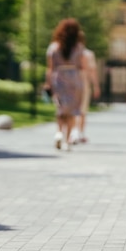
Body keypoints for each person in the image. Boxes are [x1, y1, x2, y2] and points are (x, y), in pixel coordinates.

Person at [44, 18, 88, 151]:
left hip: (59, 79)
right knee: (72, 111)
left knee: (61, 109)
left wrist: (48, 83)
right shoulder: (79, 48)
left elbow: (50, 68)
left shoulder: (53, 47)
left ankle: (58, 133)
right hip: (74, 79)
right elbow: (81, 66)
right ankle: (67, 141)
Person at [71, 31, 100, 144]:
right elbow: (92, 71)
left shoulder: (69, 53)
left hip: (71, 84)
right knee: (82, 109)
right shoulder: (88, 54)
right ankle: (80, 133)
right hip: (84, 84)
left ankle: (73, 132)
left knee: (73, 108)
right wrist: (96, 86)